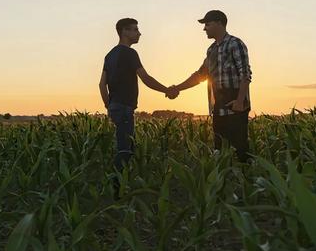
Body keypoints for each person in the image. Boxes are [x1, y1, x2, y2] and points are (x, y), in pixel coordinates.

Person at [99, 18, 177, 189]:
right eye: (135, 30)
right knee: (125, 149)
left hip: (116, 107)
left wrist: (109, 106)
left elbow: (101, 84)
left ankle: (122, 184)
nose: (139, 33)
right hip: (125, 107)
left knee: (128, 146)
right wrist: (167, 90)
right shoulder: (129, 53)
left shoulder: (109, 55)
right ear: (124, 32)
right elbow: (146, 78)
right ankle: (117, 190)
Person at [168, 10, 252, 162]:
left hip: (236, 106)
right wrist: (177, 88)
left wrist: (240, 102)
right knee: (219, 151)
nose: (204, 28)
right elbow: (200, 76)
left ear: (219, 23)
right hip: (218, 107)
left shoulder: (235, 44)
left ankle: (246, 180)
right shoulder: (211, 50)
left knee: (241, 150)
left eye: (207, 24)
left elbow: (245, 74)